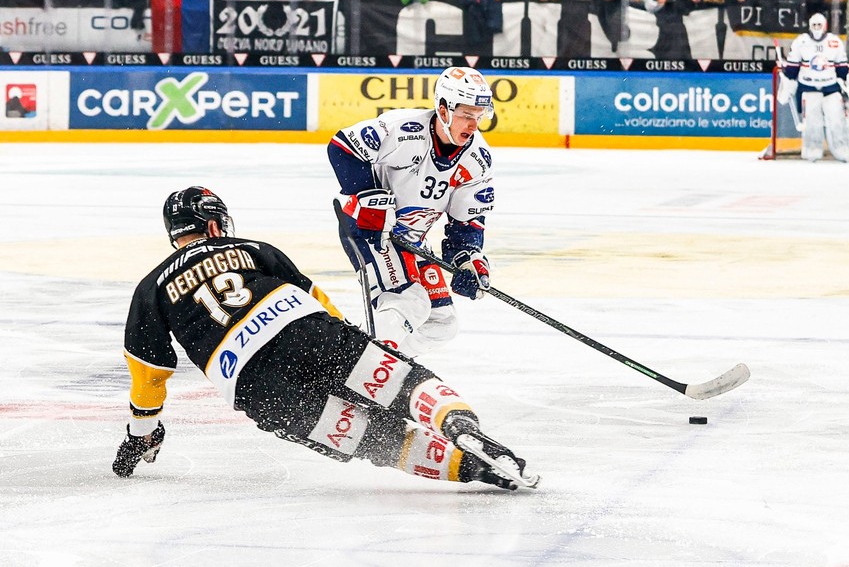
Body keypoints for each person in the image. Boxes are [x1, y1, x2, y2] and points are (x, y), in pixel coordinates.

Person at [112, 186, 537, 491]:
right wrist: (359, 352)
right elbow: (318, 302)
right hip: (305, 331)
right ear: (213, 224)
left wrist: (140, 433)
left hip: (253, 384)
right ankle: (459, 423)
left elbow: (149, 378)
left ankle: (471, 469)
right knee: (400, 384)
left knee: (375, 439)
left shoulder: (150, 289)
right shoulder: (255, 248)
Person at [327, 67, 496, 358]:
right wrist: (372, 201)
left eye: (479, 115)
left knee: (441, 323)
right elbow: (342, 147)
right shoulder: (404, 129)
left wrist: (468, 260)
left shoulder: (477, 160)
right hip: (367, 229)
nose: (473, 124)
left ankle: (384, 363)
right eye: (467, 114)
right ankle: (352, 368)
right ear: (443, 109)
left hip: (410, 240)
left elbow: (466, 223)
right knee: (409, 302)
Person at [781, 13, 849, 162]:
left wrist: (845, 81)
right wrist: (789, 78)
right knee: (812, 123)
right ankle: (812, 151)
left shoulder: (834, 42)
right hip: (809, 86)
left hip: (830, 86)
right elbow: (793, 66)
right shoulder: (801, 41)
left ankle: (843, 151)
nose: (816, 28)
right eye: (814, 25)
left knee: (836, 120)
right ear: (809, 26)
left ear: (825, 26)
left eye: (819, 25)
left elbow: (841, 66)